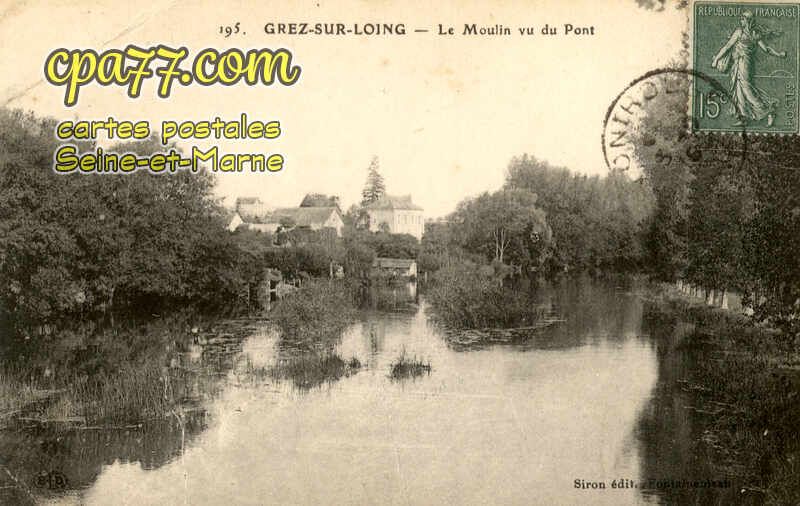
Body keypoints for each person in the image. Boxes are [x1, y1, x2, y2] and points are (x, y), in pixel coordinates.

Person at [711, 11, 786, 126]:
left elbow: (766, 49)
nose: (741, 20)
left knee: (746, 89)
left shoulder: (750, 33)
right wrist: (717, 58)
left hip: (745, 64)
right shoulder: (743, 32)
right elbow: (727, 46)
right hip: (738, 63)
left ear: (748, 20)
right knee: (738, 89)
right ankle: (743, 117)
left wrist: (779, 54)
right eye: (741, 18)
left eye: (743, 19)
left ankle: (769, 111)